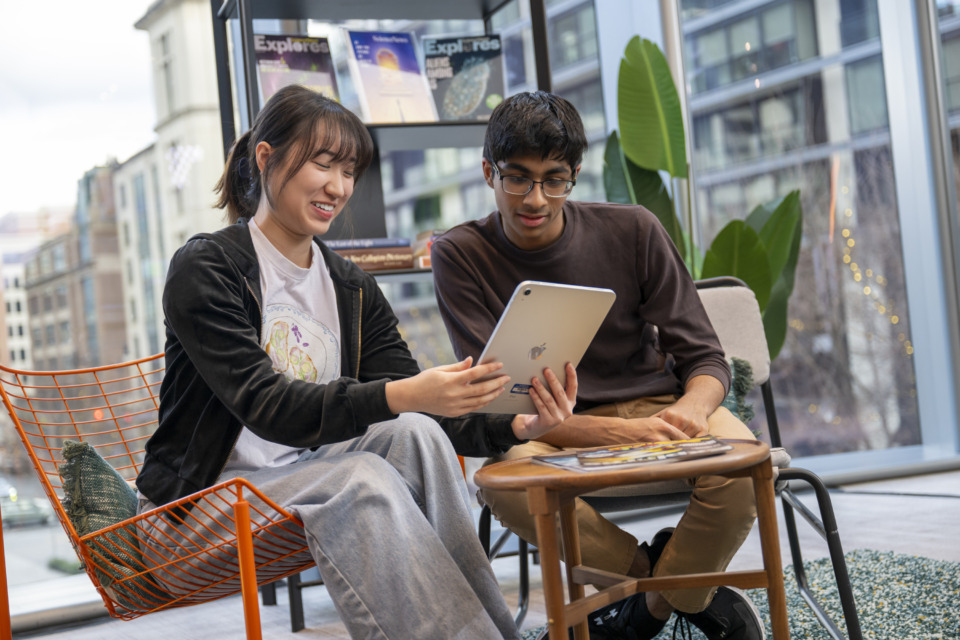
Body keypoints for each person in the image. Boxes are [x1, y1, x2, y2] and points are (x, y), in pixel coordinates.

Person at [134, 84, 579, 640]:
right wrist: (401, 395)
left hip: (297, 482)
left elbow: (419, 404)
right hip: (194, 514)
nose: (338, 187)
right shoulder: (208, 267)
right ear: (266, 158)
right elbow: (268, 407)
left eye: (349, 171)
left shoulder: (352, 287)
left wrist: (516, 425)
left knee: (414, 433)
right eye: (323, 164)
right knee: (362, 474)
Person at [431, 91, 765, 640]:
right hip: (550, 425)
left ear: (575, 175)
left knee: (745, 466)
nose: (536, 198)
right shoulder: (459, 253)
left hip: (659, 403)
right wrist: (623, 432)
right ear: (489, 172)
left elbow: (704, 356)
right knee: (505, 484)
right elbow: (498, 400)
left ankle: (649, 607)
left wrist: (691, 407)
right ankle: (661, 584)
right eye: (518, 178)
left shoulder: (632, 228)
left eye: (554, 179)